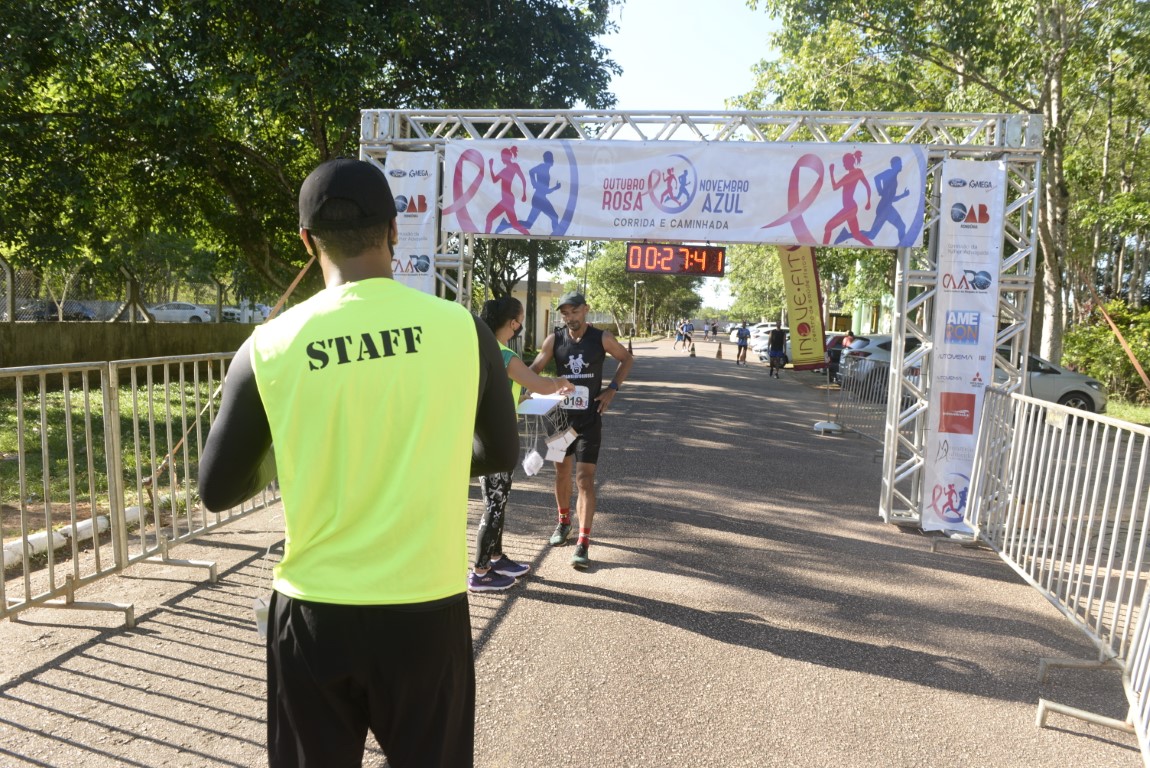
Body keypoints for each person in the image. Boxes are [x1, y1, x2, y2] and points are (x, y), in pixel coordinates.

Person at [197, 158, 519, 768]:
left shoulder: (268, 346)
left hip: (314, 613)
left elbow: (217, 489)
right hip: (426, 611)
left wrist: (291, 455)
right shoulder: (463, 329)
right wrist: (426, 456)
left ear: (307, 240)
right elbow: (500, 451)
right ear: (395, 230)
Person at [470, 296, 574, 592]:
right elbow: (540, 383)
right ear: (514, 324)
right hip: (496, 440)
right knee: (494, 503)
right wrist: (561, 383)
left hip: (481, 436)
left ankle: (495, 557)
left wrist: (522, 397)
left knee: (497, 500)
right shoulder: (503, 354)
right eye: (521, 321)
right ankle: (480, 572)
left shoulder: (477, 349)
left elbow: (500, 393)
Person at [530, 291, 634, 569]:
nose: (570, 318)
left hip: (589, 418)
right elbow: (535, 368)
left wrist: (612, 389)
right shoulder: (554, 340)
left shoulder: (602, 338)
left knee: (585, 479)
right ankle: (563, 521)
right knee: (561, 472)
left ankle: (583, 541)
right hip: (559, 419)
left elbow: (626, 359)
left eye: (574, 312)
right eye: (565, 313)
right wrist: (521, 387)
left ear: (586, 310)